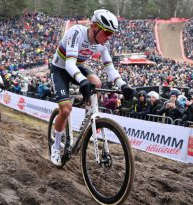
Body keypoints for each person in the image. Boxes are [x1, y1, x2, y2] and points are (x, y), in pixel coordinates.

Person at [49, 9, 135, 166]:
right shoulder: (77, 32)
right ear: (95, 27)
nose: (109, 37)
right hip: (60, 68)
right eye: (107, 32)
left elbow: (109, 68)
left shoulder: (101, 45)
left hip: (77, 66)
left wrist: (123, 85)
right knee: (66, 110)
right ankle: (55, 146)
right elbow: (69, 63)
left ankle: (89, 117)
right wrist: (82, 80)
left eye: (111, 34)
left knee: (97, 83)